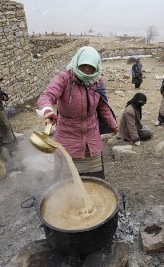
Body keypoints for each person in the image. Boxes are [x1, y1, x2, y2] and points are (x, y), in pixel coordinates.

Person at [37, 46, 118, 179]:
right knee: (66, 182)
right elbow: (47, 96)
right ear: (77, 62)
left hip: (91, 139)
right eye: (84, 65)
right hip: (67, 137)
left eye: (91, 66)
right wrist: (47, 110)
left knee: (95, 180)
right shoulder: (64, 78)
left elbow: (102, 106)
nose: (87, 69)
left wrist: (114, 125)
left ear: (97, 66)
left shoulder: (98, 82)